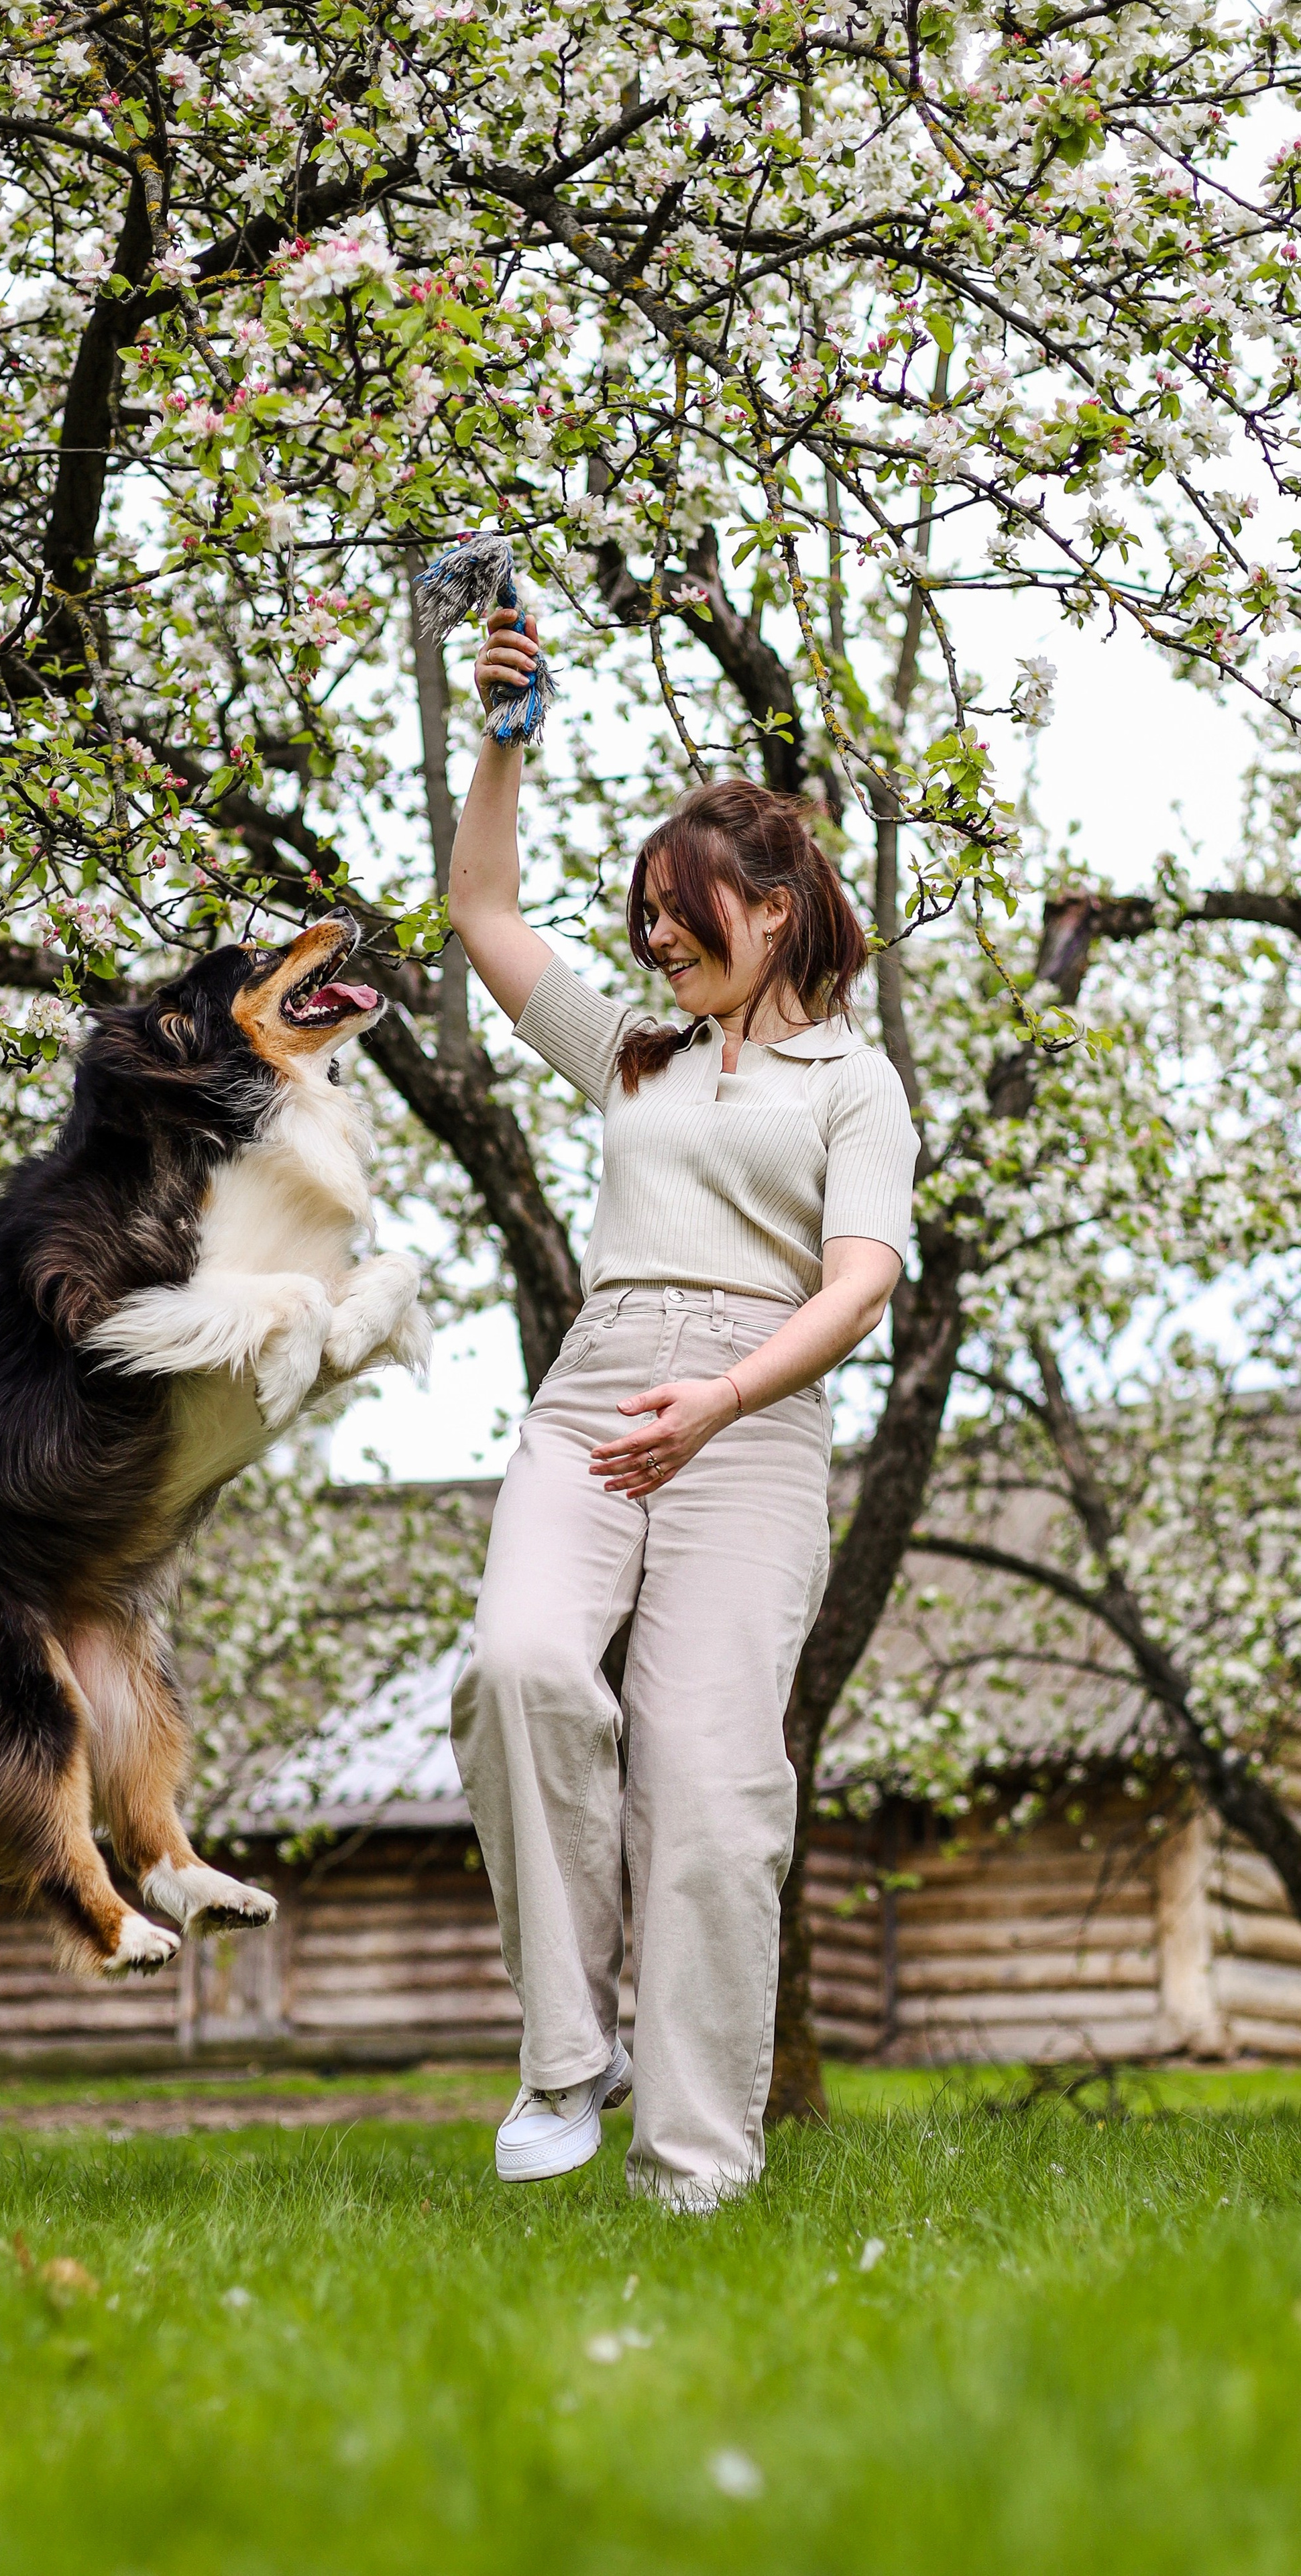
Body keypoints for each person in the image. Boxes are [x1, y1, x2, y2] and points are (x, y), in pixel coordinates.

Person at [447, 604, 920, 2210]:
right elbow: (481, 910)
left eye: (682, 911)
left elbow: (855, 1285)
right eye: (643, 915)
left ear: (775, 911)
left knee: (715, 1793)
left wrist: (715, 1399)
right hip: (594, 1395)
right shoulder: (634, 1063)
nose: (653, 939)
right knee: (515, 1667)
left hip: (748, 1420)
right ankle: (570, 2057)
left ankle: (693, 2178)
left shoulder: (852, 1086)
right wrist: (500, 740)